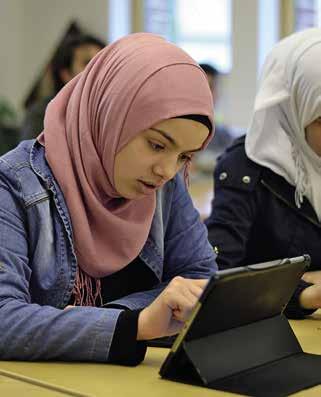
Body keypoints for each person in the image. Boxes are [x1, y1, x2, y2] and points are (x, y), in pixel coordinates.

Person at [0, 33, 217, 364]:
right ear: (110, 114)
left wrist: (121, 318)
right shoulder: (14, 184)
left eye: (184, 157)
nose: (167, 171)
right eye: (157, 145)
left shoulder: (163, 188)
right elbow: (4, 320)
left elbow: (201, 280)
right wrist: (138, 323)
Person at [205, 28, 321, 319]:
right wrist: (305, 294)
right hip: (267, 330)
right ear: (293, 109)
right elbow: (218, 277)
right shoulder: (245, 169)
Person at [20, 33, 105, 140]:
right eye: (87, 62)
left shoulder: (109, 109)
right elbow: (32, 155)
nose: (98, 68)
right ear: (66, 74)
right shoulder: (41, 114)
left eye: (102, 61)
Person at [196, 63, 234, 170]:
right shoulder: (175, 128)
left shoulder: (223, 135)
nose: (207, 94)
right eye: (201, 87)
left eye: (211, 87)